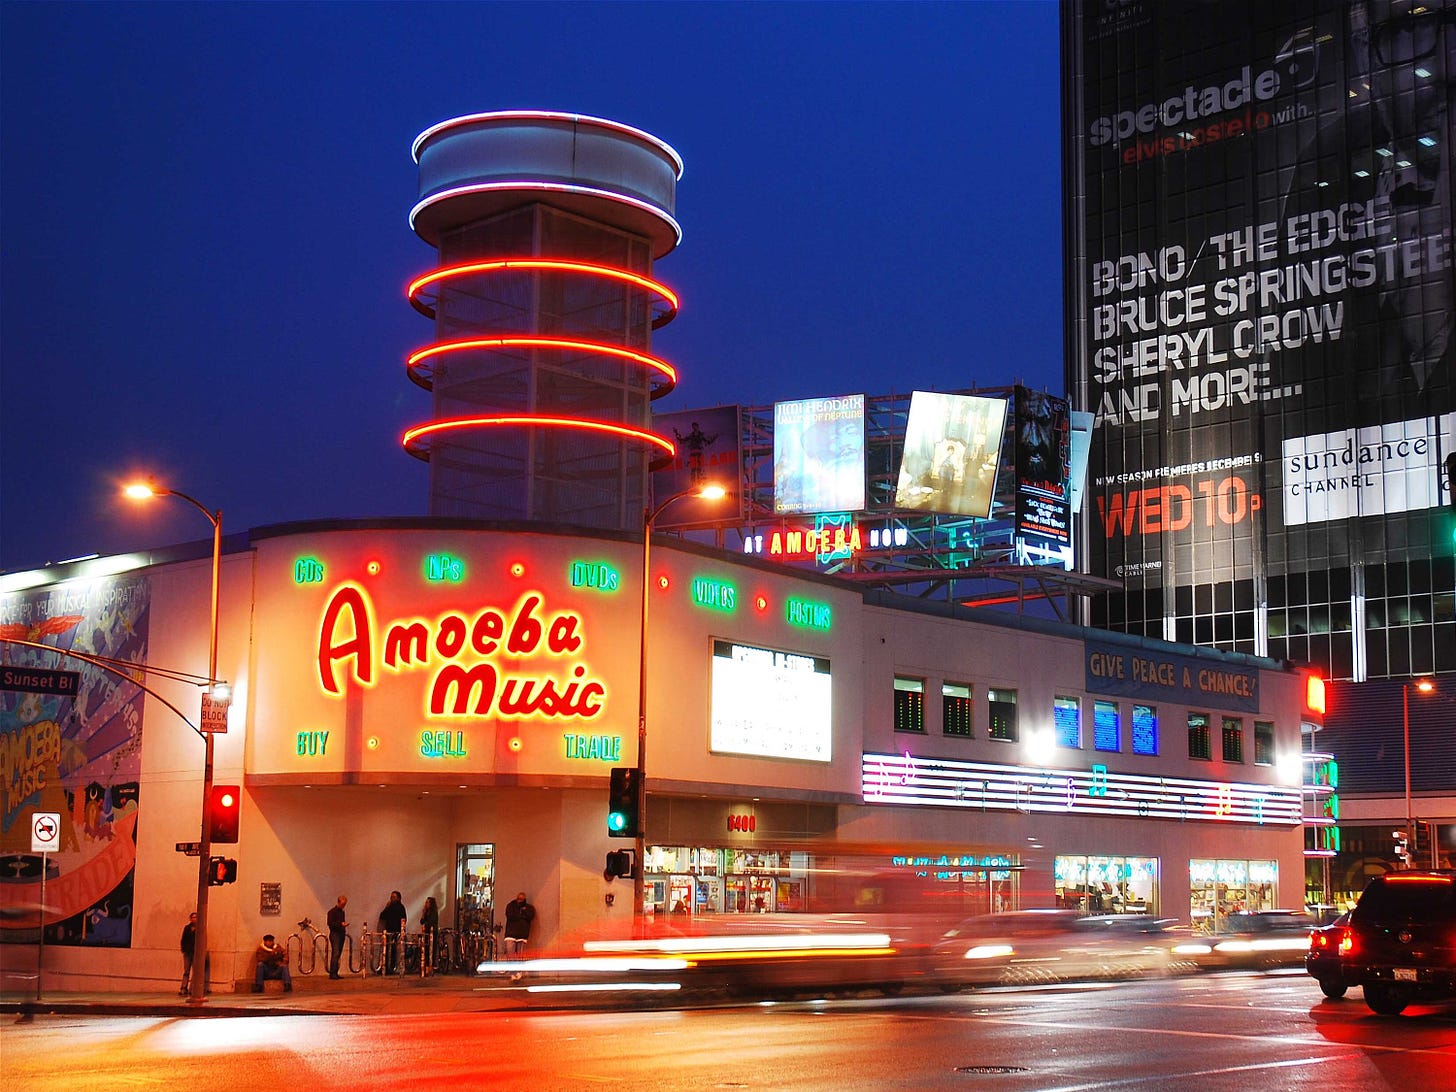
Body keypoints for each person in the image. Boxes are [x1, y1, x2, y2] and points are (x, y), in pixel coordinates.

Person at [378, 890, 407, 974]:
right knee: (386, 950)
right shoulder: (390, 907)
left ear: (398, 898)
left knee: (394, 951)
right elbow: (382, 916)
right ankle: (386, 968)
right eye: (391, 897)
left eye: (394, 897)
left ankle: (392, 968)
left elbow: (403, 920)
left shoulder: (400, 907)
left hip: (396, 932)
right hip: (389, 931)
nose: (392, 899)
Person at [502, 891, 535, 958]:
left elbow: (530, 916)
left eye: (521, 899)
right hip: (511, 935)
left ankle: (515, 968)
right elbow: (510, 915)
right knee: (511, 957)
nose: (519, 901)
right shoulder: (511, 906)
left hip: (522, 936)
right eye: (519, 899)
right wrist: (522, 915)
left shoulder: (528, 908)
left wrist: (522, 913)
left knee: (519, 958)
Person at [326, 895, 348, 979]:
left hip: (341, 933)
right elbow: (330, 924)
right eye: (342, 904)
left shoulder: (342, 912)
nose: (343, 906)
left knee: (338, 954)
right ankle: (332, 973)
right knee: (335, 953)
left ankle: (335, 972)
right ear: (338, 902)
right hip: (335, 934)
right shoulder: (331, 912)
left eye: (344, 904)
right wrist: (341, 924)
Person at [179, 911, 198, 995]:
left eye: (196, 917)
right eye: (193, 917)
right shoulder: (187, 928)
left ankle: (192, 989)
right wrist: (183, 949)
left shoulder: (200, 928)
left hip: (195, 952)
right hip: (187, 952)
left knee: (195, 972)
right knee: (186, 971)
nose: (194, 919)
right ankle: (183, 987)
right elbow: (183, 939)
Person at [420, 896, 439, 975]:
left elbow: (430, 922)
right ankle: (427, 966)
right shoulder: (426, 912)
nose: (426, 904)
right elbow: (421, 921)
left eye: (427, 902)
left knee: (431, 949)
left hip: (432, 932)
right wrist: (423, 914)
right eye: (426, 902)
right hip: (427, 932)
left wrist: (426, 925)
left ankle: (430, 966)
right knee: (426, 949)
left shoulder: (434, 912)